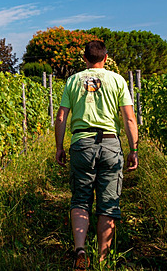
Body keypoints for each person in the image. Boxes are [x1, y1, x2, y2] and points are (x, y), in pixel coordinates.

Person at [55, 40, 139, 269]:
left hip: (82, 143)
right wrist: (133, 150)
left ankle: (80, 250)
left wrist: (59, 147)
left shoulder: (73, 81)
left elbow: (62, 117)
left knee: (81, 199)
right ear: (105, 58)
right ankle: (102, 258)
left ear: (84, 59)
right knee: (108, 203)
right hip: (110, 144)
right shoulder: (117, 80)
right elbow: (129, 118)